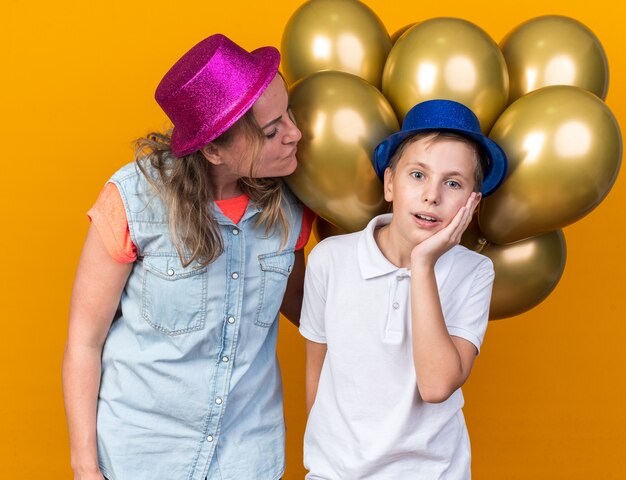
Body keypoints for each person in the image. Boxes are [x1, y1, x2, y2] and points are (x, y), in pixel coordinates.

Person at [62, 34, 315, 480]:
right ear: (214, 150)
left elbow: (315, 313)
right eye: (273, 131)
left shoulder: (296, 204)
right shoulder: (135, 198)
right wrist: (85, 466)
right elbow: (84, 341)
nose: (295, 134)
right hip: (141, 456)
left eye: (289, 114)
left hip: (248, 456)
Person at [299, 99, 508, 479]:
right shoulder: (330, 259)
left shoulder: (474, 271)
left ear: (472, 203)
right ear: (390, 183)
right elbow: (317, 368)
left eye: (453, 183)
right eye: (418, 175)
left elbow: (436, 385)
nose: (432, 195)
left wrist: (423, 264)